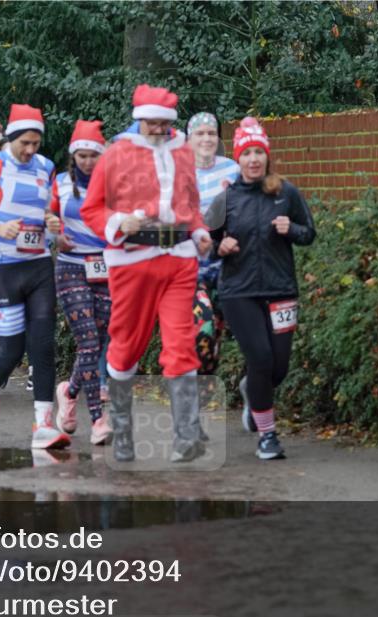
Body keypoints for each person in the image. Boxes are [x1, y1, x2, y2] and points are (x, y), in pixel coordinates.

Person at [81, 84, 213, 463]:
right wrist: (120, 221)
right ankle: (121, 431)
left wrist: (200, 231)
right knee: (126, 346)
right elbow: (92, 210)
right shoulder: (116, 154)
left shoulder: (183, 151)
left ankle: (186, 436)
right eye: (151, 123)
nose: (158, 130)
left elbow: (191, 203)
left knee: (181, 343)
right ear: (139, 120)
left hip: (179, 259)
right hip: (132, 261)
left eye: (163, 124)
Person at [0, 104, 69, 449]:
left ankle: (43, 425)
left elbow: (52, 214)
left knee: (43, 344)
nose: (31, 150)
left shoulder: (47, 168)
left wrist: (53, 225)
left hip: (37, 267)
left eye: (37, 143)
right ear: (11, 137)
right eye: (26, 143)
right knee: (12, 349)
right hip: (3, 268)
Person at [209, 117, 316, 460]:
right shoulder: (225, 198)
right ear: (238, 159)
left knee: (278, 368)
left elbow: (309, 233)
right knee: (260, 358)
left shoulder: (286, 192)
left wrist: (292, 229)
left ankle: (252, 393)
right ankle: (267, 435)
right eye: (247, 153)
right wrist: (218, 247)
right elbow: (204, 240)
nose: (253, 159)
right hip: (238, 292)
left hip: (280, 288)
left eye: (259, 152)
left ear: (267, 157)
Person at [48, 119, 112, 445]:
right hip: (71, 269)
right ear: (74, 156)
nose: (88, 161)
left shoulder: (113, 185)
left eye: (93, 156)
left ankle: (69, 391)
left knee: (98, 341)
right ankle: (98, 420)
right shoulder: (59, 183)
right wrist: (55, 235)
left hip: (105, 269)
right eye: (82, 156)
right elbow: (47, 220)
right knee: (88, 342)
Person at [186, 113, 239, 376]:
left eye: (211, 133)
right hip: (190, 270)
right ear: (189, 139)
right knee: (203, 331)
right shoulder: (179, 173)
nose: (206, 138)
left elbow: (244, 212)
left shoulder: (232, 170)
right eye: (200, 133)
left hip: (226, 266)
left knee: (217, 335)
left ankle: (206, 389)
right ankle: (198, 386)